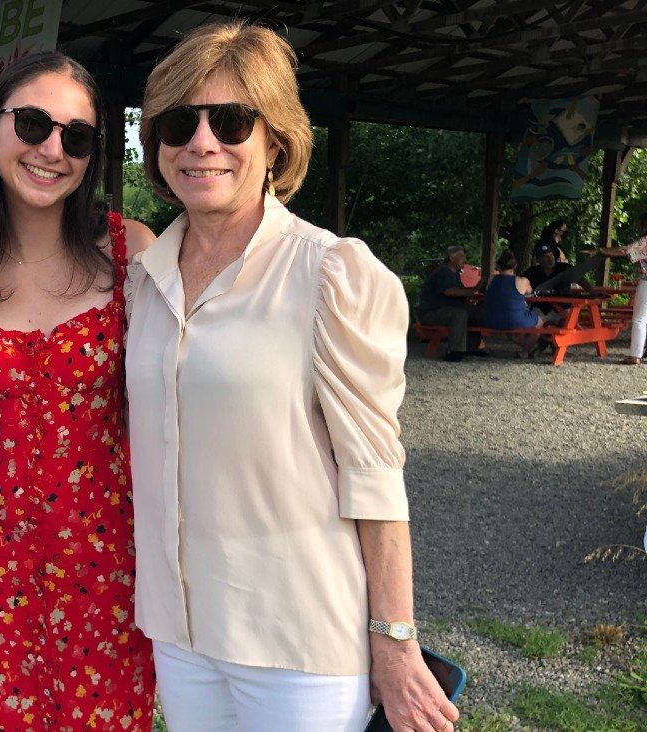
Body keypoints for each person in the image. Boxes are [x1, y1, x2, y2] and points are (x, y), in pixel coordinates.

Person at [126, 22, 458, 732]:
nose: (202, 142)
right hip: (180, 632)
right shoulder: (143, 282)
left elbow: (375, 473)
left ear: (275, 141)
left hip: (297, 640)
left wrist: (395, 640)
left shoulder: (329, 273)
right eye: (180, 123)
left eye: (231, 122)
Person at [0, 51, 157, 731]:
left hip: (111, 556)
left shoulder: (133, 252)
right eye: (33, 124)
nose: (52, 149)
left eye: (78, 136)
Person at [589, 212, 647, 364]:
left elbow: (623, 251)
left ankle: (635, 355)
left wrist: (600, 251)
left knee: (640, 319)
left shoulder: (645, 241)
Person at [418, 246, 486, 362]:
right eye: (461, 256)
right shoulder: (443, 271)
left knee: (476, 312)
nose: (465, 259)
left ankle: (471, 347)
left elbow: (463, 293)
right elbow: (449, 291)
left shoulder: (455, 274)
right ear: (452, 258)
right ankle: (455, 351)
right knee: (459, 314)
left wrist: (477, 288)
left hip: (447, 310)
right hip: (432, 312)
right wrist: (473, 290)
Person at [483, 249, 546, 358]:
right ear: (515, 266)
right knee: (539, 322)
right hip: (513, 319)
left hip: (491, 320)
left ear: (499, 266)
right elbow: (530, 292)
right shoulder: (521, 281)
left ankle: (529, 349)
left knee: (511, 330)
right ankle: (526, 351)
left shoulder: (492, 280)